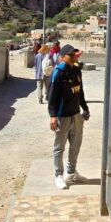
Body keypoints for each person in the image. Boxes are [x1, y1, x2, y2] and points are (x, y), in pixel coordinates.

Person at [47, 44, 90, 190]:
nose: (73, 57)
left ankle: (71, 173)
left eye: (74, 54)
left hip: (76, 115)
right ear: (63, 57)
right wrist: (53, 115)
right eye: (70, 55)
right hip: (62, 116)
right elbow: (52, 96)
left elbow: (80, 91)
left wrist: (85, 108)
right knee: (59, 148)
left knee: (75, 145)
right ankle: (58, 175)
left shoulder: (76, 70)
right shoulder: (58, 72)